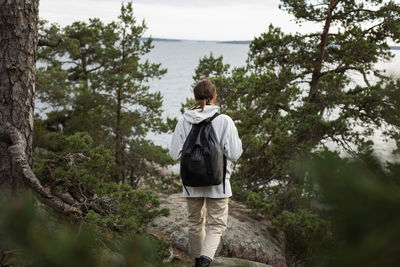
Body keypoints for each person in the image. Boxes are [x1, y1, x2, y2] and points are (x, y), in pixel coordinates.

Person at [169, 79, 242, 267]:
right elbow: (234, 154)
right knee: (216, 225)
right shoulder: (225, 121)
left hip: (192, 182)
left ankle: (197, 260)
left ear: (194, 96)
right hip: (218, 184)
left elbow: (174, 154)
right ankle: (205, 260)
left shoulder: (184, 121)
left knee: (195, 223)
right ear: (214, 96)